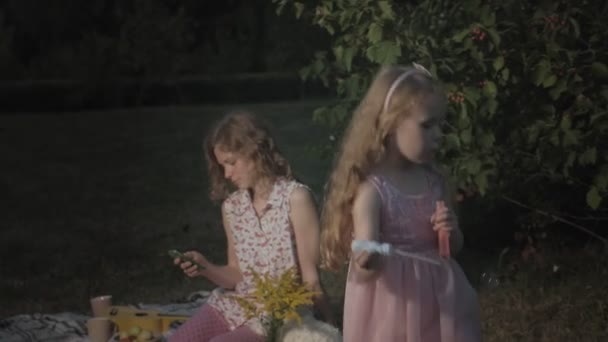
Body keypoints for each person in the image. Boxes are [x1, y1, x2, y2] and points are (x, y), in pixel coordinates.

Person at [320, 64, 482, 341]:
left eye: (440, 125)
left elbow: (451, 250)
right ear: (390, 124)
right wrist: (368, 255)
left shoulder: (434, 182)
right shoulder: (373, 190)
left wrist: (451, 230)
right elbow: (365, 256)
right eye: (427, 125)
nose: (438, 134)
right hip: (394, 304)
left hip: (441, 300)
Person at [169, 111, 333, 342]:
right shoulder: (232, 207)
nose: (226, 174)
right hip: (235, 305)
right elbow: (236, 274)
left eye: (231, 163)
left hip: (278, 313)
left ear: (255, 151)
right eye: (222, 166)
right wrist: (205, 267)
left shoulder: (295, 199)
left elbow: (311, 278)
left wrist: (331, 326)